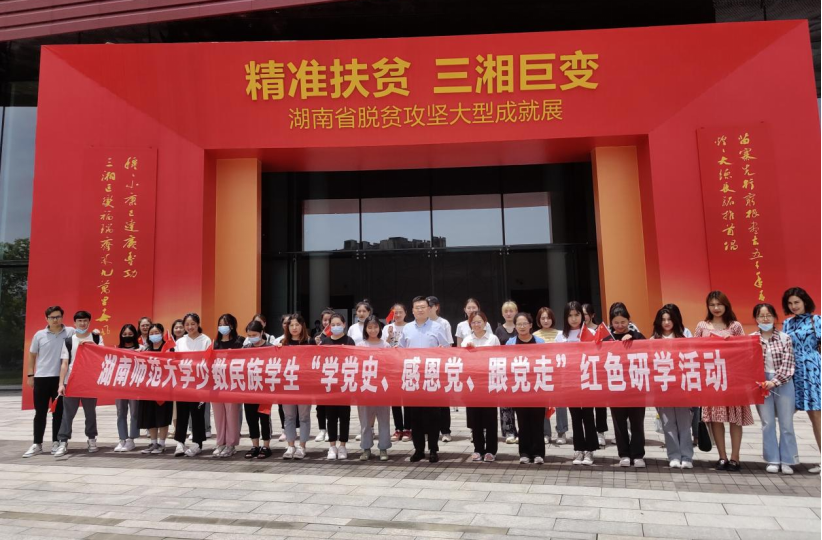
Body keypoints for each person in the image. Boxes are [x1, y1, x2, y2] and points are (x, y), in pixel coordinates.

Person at [695, 291, 750, 472]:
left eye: (719, 304)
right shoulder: (702, 326)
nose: (716, 308)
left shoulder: (735, 326)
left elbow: (745, 349)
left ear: (726, 305)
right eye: (712, 305)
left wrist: (732, 341)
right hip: (712, 378)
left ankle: (735, 457)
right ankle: (722, 456)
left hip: (733, 378)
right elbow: (694, 349)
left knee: (735, 419)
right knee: (715, 419)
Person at [399, 296, 450, 463]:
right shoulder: (407, 328)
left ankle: (433, 449)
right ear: (412, 311)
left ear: (429, 309)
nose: (420, 310)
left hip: (431, 377)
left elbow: (447, 349)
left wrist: (442, 350)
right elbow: (401, 350)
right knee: (415, 417)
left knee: (433, 416)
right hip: (413, 378)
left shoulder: (437, 327)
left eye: (423, 307)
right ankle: (419, 449)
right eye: (417, 307)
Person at [752, 303, 798, 474]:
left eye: (768, 315)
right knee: (767, 422)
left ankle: (788, 460)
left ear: (774, 317)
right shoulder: (751, 339)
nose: (765, 319)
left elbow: (788, 365)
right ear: (756, 319)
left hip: (783, 382)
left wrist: (774, 381)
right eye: (761, 316)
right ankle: (772, 459)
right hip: (761, 384)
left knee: (786, 423)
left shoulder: (785, 338)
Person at [24, 306, 73, 458]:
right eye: (52, 317)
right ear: (46, 319)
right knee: (40, 412)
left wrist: (95, 333)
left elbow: (83, 337)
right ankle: (37, 443)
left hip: (60, 379)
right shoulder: (39, 335)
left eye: (58, 316)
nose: (55, 320)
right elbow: (32, 355)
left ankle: (56, 442)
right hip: (41, 378)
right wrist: (30, 375)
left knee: (58, 412)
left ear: (62, 317)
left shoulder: (70, 332)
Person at [781, 287, 821, 474]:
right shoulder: (787, 323)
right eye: (790, 303)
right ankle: (786, 459)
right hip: (793, 373)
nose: (793, 306)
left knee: (816, 417)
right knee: (785, 416)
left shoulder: (816, 320)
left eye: (796, 302)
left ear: (805, 302)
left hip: (813, 372)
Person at [603, 302, 647, 468]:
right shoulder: (607, 339)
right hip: (616, 388)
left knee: (637, 423)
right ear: (611, 322)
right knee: (619, 423)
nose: (620, 326)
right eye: (616, 322)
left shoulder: (638, 336)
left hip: (636, 387)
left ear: (629, 320)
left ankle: (638, 454)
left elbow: (649, 353)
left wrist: (633, 339)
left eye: (623, 322)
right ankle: (624, 454)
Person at [54, 310, 103, 457]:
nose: (82, 323)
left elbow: (102, 355)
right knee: (67, 414)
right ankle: (63, 442)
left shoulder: (96, 337)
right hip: (71, 382)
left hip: (89, 382)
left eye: (85, 320)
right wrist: (61, 384)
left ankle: (92, 439)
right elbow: (64, 363)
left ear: (89, 322)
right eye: (80, 321)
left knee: (90, 413)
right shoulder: (69, 341)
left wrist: (91, 344)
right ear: (74, 323)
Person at [652, 306, 694, 469]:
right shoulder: (653, 340)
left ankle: (687, 456)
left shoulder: (684, 337)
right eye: (663, 320)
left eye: (669, 319)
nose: (666, 322)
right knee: (668, 424)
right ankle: (674, 455)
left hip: (682, 387)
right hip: (663, 387)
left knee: (684, 423)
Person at [555, 302, 596, 466]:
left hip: (587, 380)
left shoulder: (591, 333)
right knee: (575, 417)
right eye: (570, 315)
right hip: (570, 382)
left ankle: (590, 450)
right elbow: (557, 359)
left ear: (582, 316)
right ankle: (578, 449)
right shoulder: (561, 337)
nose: (574, 318)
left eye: (577, 315)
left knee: (588, 416)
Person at [506, 312, 546, 464]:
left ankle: (538, 453)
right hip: (519, 387)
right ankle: (524, 452)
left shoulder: (540, 342)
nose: (522, 327)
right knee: (522, 422)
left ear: (530, 325)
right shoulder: (510, 343)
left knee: (537, 422)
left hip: (537, 387)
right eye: (519, 324)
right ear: (515, 326)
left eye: (525, 324)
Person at [461, 311, 500, 462]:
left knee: (490, 419)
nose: (476, 325)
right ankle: (478, 449)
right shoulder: (467, 340)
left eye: (479, 322)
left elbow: (499, 358)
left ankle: (491, 450)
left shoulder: (492, 338)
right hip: (472, 384)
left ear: (485, 322)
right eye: (473, 322)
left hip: (489, 383)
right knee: (475, 418)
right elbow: (462, 360)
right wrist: (469, 351)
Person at [173, 313, 212, 457]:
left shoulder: (206, 340)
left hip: (199, 383)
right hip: (183, 383)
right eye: (187, 324)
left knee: (197, 414)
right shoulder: (180, 341)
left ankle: (197, 443)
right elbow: (176, 360)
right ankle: (180, 442)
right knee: (182, 413)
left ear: (198, 324)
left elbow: (208, 360)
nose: (190, 327)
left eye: (193, 324)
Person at [320, 312, 356, 460]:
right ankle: (332, 446)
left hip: (344, 384)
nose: (335, 327)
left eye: (338, 324)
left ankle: (342, 446)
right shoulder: (325, 342)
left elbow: (354, 361)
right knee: (331, 417)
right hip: (329, 385)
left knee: (344, 416)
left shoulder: (349, 341)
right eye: (333, 325)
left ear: (344, 325)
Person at [357, 315, 392, 461]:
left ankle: (383, 448)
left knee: (383, 420)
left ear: (380, 328)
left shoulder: (386, 345)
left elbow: (390, 365)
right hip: (365, 388)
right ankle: (366, 448)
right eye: (370, 327)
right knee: (365, 421)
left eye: (375, 327)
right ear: (365, 328)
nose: (373, 330)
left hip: (382, 388)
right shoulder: (361, 345)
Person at [280, 313, 313, 459]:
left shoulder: (310, 342)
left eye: (297, 325)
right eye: (291, 325)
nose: (294, 328)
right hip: (287, 385)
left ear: (302, 326)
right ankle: (290, 446)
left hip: (304, 386)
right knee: (289, 417)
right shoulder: (283, 343)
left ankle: (302, 446)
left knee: (304, 417)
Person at [138, 323, 174, 455]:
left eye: (156, 333)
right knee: (150, 416)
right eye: (151, 333)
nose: (154, 335)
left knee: (162, 416)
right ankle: (153, 442)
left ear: (162, 333)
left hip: (164, 388)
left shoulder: (169, 349)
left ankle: (162, 443)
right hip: (148, 389)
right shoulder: (145, 350)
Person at [211, 314, 244, 458]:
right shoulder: (215, 343)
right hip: (217, 383)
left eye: (226, 324)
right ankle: (220, 443)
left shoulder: (239, 341)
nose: (222, 327)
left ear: (232, 325)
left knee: (232, 414)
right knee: (218, 415)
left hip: (232, 383)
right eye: (220, 324)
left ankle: (231, 444)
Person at [534, 306, 566, 445]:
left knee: (561, 403)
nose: (546, 321)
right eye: (543, 318)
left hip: (558, 372)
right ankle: (545, 433)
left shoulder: (561, 334)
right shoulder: (534, 335)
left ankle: (562, 432)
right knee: (543, 404)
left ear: (552, 319)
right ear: (538, 320)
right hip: (542, 372)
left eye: (548, 318)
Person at [243, 320, 275, 460]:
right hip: (249, 389)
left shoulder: (270, 348)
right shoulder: (245, 348)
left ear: (262, 333)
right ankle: (255, 445)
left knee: (264, 418)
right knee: (251, 418)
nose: (252, 338)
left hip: (264, 390)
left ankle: (266, 446)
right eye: (249, 335)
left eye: (254, 335)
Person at [427, 296, 455, 443]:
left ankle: (445, 431)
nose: (427, 309)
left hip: (441, 366)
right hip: (425, 367)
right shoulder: (422, 323)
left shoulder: (443, 323)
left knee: (443, 401)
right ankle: (429, 430)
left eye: (430, 306)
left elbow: (449, 345)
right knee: (428, 402)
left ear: (436, 307)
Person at [383, 303, 412, 442]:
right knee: (394, 399)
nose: (398, 315)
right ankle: (398, 428)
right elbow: (383, 345)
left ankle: (408, 428)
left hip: (407, 366)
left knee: (407, 398)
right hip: (392, 367)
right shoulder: (387, 328)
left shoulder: (410, 327)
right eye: (395, 313)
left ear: (406, 313)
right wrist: (389, 336)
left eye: (400, 312)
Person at [582, 303, 610, 447]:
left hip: (599, 371)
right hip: (584, 371)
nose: (583, 317)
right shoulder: (578, 331)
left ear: (592, 315)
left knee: (600, 405)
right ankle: (590, 432)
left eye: (585, 314)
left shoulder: (601, 329)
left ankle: (601, 432)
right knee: (587, 405)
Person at [112, 323, 141, 452]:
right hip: (120, 385)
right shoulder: (116, 349)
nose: (127, 336)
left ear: (135, 335)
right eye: (124, 334)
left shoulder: (141, 349)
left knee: (134, 412)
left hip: (135, 386)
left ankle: (131, 439)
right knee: (120, 412)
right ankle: (122, 439)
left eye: (130, 334)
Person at [496, 300, 519, 444]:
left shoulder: (521, 326)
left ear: (516, 312)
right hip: (504, 369)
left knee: (520, 401)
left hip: (519, 368)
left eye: (511, 311)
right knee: (505, 403)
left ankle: (523, 431)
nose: (509, 314)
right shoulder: (499, 330)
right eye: (506, 311)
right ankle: (509, 431)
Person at [314, 308, 335, 443]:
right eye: (325, 320)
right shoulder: (318, 336)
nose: (327, 322)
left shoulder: (338, 336)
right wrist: (315, 345)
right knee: (320, 405)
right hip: (320, 374)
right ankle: (322, 429)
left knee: (332, 405)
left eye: (329, 320)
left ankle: (331, 429)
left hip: (334, 374)